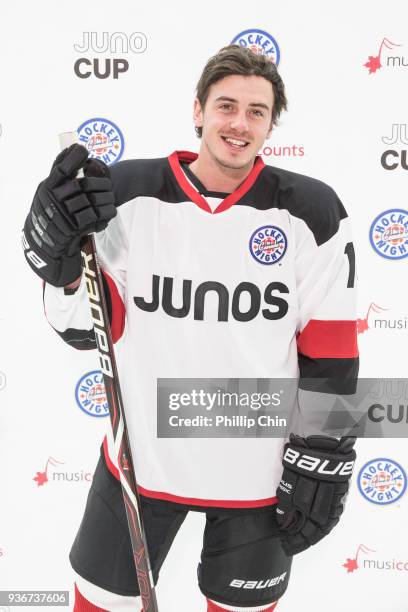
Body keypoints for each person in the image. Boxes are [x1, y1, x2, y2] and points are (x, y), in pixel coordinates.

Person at [22, 45, 359, 612]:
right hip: (139, 463)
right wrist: (60, 265)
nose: (239, 123)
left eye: (257, 111)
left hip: (257, 472)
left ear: (271, 124)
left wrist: (325, 454)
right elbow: (88, 330)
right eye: (226, 105)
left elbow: (331, 350)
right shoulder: (125, 193)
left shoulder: (312, 211)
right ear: (198, 110)